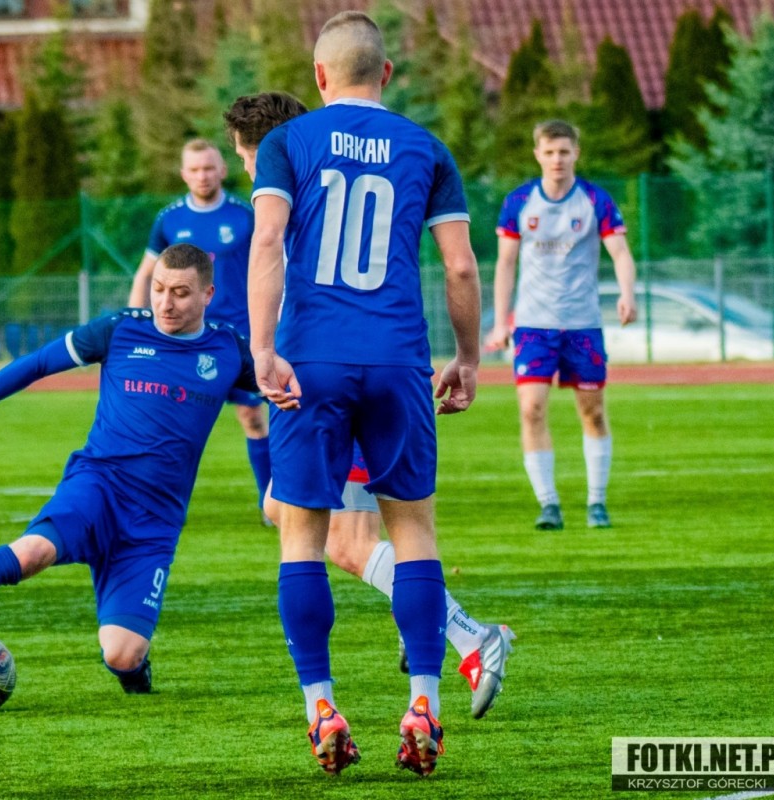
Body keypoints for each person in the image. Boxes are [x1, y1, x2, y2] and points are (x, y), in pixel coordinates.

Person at [246, 13, 511, 777]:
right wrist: (467, 357)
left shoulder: (287, 142)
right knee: (415, 532)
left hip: (312, 363)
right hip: (398, 359)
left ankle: (321, 707)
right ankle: (423, 702)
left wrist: (263, 349)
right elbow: (460, 267)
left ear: (319, 76)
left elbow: (268, 241)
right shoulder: (425, 148)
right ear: (386, 74)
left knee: (302, 537)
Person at [0, 244, 258, 695]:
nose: (165, 302)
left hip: (155, 520)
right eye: (158, 288)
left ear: (208, 294)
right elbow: (39, 363)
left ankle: (134, 668)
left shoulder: (229, 349)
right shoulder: (120, 330)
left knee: (122, 655)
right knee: (30, 554)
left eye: (180, 293)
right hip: (97, 487)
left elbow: (291, 392)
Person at [488, 120, 638, 531]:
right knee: (531, 409)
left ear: (576, 154)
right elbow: (505, 264)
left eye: (565, 152)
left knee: (593, 412)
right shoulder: (519, 202)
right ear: (538, 154)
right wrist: (500, 322)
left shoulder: (594, 200)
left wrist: (628, 293)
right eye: (550, 152)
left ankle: (596, 502)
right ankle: (548, 504)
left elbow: (620, 253)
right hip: (533, 325)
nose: (557, 159)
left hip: (582, 324)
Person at [128, 140, 271, 521]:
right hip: (184, 341)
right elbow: (145, 275)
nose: (202, 176)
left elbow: (272, 267)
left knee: (253, 417)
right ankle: (151, 503)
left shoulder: (246, 215)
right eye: (194, 169)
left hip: (238, 337)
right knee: (165, 419)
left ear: (222, 170)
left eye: (208, 168)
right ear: (183, 174)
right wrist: (138, 326)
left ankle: (269, 503)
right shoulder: (169, 219)